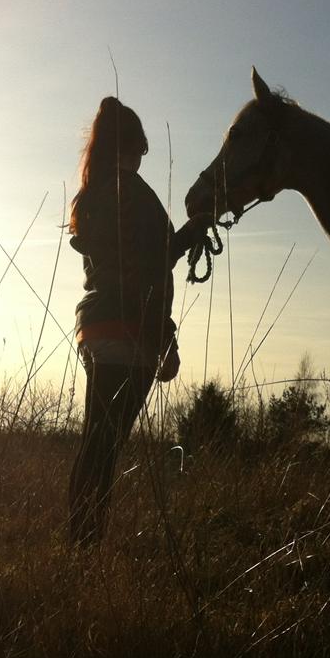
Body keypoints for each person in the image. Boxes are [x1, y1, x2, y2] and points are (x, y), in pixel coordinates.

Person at [67, 96, 210, 545]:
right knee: (103, 447)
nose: (141, 158)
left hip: (99, 327)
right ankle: (82, 547)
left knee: (99, 443)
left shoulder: (94, 193)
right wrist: (163, 335)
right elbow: (148, 267)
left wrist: (188, 235)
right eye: (141, 149)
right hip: (129, 331)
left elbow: (139, 261)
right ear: (128, 147)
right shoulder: (129, 192)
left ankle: (81, 545)